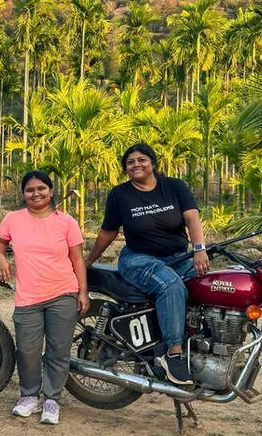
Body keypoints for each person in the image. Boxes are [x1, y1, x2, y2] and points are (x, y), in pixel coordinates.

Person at [85, 143, 209, 386]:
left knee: (210, 283)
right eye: (130, 162)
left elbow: (192, 217)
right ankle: (173, 353)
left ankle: (199, 342)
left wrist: (199, 249)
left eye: (141, 159)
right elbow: (108, 232)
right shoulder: (120, 195)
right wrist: (89, 260)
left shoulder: (174, 186)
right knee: (170, 286)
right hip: (138, 259)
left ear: (152, 163)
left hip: (178, 257)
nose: (136, 165)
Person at [0, 171, 88, 425]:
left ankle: (52, 400)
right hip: (28, 298)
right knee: (27, 351)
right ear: (24, 194)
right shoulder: (13, 219)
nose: (36, 194)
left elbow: (77, 259)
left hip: (63, 294)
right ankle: (29, 396)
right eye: (30, 190)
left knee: (58, 351)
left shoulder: (66, 222)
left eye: (41, 188)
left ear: (51, 191)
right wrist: (0, 257)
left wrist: (83, 291)